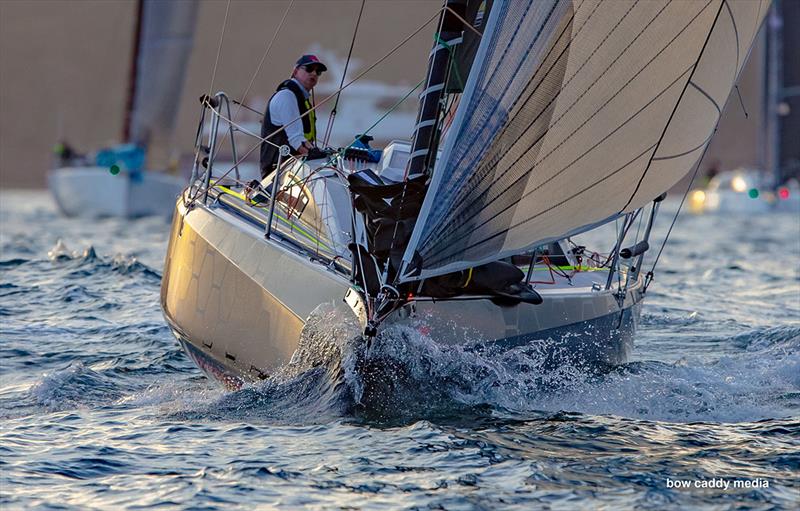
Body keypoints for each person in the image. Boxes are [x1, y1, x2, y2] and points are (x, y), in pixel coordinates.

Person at [259, 54, 327, 179]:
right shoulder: (287, 96)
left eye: (318, 72)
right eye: (309, 69)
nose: (314, 74)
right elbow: (296, 140)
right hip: (278, 174)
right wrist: (320, 159)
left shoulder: (300, 97)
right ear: (295, 72)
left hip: (294, 169)